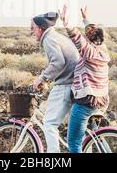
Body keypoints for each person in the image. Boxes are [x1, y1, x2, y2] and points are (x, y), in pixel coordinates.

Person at [59, 5, 110, 153]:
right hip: (102, 100)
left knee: (74, 143)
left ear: (89, 38)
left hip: (87, 101)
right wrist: (86, 19)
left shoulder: (89, 52)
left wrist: (66, 21)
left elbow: (77, 37)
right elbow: (94, 34)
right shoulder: (103, 50)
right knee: (91, 136)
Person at [30, 12, 80, 153]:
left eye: (32, 27)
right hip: (75, 85)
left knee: (50, 124)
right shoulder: (58, 36)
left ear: (40, 28)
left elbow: (58, 62)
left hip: (65, 85)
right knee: (77, 131)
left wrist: (41, 78)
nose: (31, 30)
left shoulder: (49, 39)